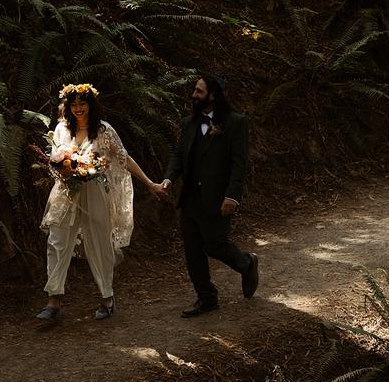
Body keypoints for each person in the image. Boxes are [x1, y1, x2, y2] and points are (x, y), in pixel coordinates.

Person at [36, 83, 166, 321]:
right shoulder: (62, 129)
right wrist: (62, 169)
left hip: (95, 193)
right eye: (73, 104)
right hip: (66, 193)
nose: (77, 109)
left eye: (82, 104)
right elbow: (53, 161)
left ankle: (107, 297)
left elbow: (124, 159)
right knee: (57, 241)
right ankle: (53, 300)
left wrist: (149, 183)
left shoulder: (104, 131)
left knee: (99, 243)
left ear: (91, 105)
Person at [162, 75, 259, 315]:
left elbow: (239, 163)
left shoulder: (235, 122)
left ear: (212, 95)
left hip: (217, 197)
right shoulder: (188, 123)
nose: (193, 95)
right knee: (192, 249)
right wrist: (168, 178)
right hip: (190, 198)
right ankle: (206, 298)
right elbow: (178, 154)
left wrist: (232, 196)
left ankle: (247, 263)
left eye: (198, 91)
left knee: (215, 246)